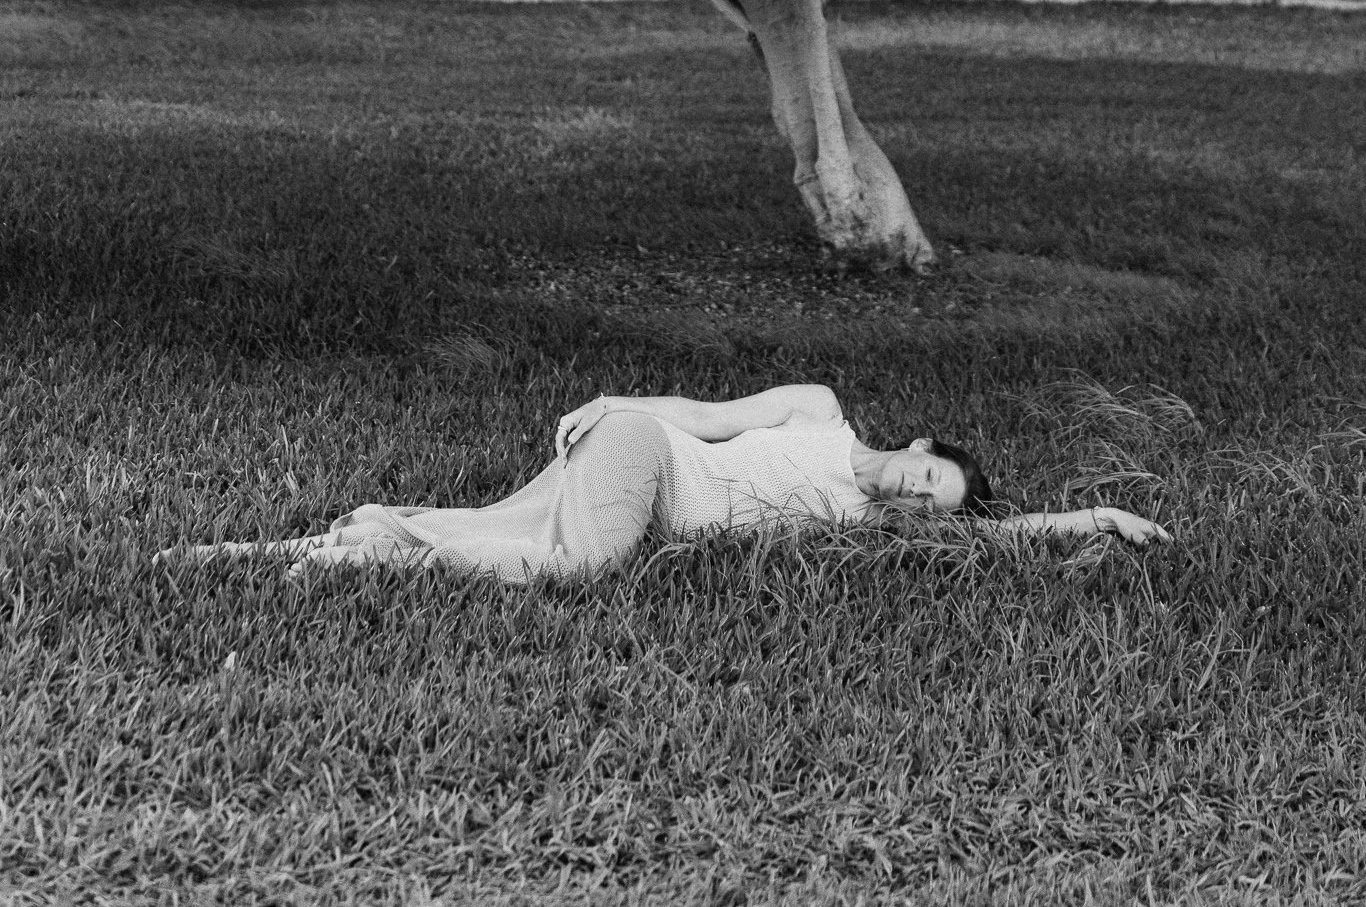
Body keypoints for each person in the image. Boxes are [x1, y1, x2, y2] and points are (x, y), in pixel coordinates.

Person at [155, 381, 1170, 582]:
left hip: (647, 490)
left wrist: (1094, 514)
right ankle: (376, 554)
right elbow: (707, 416)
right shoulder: (818, 410)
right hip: (643, 452)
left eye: (924, 499)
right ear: (917, 442)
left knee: (509, 539)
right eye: (923, 470)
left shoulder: (863, 520)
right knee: (581, 567)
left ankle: (269, 551)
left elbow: (994, 535)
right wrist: (612, 400)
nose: (911, 489)